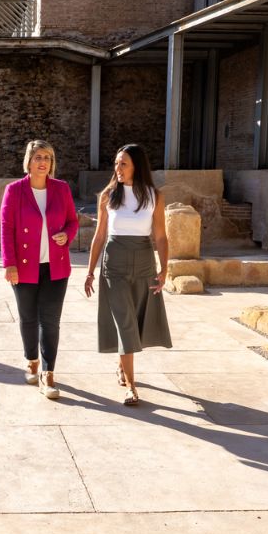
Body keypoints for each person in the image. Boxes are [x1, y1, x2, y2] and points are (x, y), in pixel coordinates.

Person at [83, 143, 171, 406]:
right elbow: (100, 236)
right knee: (125, 324)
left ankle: (123, 366)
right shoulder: (108, 195)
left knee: (137, 320)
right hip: (114, 264)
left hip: (144, 262)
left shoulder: (154, 195)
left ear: (136, 166)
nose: (117, 169)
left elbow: (161, 236)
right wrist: (89, 272)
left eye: (123, 164)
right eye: (116, 164)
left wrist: (164, 268)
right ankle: (132, 387)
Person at [0, 139, 79, 400]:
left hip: (56, 266)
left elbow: (72, 221)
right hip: (23, 267)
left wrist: (66, 235)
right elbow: (7, 229)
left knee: (51, 321)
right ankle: (31, 360)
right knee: (28, 318)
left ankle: (48, 374)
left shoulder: (62, 189)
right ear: (29, 162)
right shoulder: (14, 190)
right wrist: (9, 264)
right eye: (38, 157)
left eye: (47, 157)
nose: (43, 162)